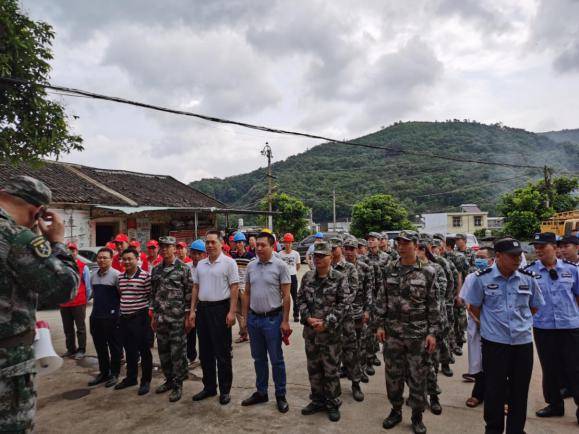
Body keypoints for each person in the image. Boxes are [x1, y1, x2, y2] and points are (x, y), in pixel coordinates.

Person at [0, 175, 79, 433]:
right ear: (37, 212)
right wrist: (57, 242)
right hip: (7, 364)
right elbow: (65, 287)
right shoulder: (14, 237)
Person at [463, 237, 545, 434]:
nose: (517, 260)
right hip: (495, 345)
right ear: (498, 257)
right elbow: (474, 307)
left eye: (519, 256)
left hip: (522, 344)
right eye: (512, 256)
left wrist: (518, 324)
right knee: (494, 391)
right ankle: (493, 429)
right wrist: (492, 327)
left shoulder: (528, 278)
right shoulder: (481, 279)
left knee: (519, 391)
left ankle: (516, 430)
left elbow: (534, 307)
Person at [375, 230, 439, 434]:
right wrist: (379, 325)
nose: (401, 246)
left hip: (417, 336)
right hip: (393, 335)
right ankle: (395, 410)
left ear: (416, 245)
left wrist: (432, 333)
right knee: (393, 376)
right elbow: (381, 300)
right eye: (399, 243)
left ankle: (417, 416)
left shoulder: (428, 271)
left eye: (406, 243)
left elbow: (434, 305)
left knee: (417, 378)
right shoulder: (389, 269)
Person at [524, 232, 579, 424]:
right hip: (544, 327)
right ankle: (555, 405)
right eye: (536, 247)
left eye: (542, 247)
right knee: (550, 368)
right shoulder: (529, 272)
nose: (538, 250)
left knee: (575, 367)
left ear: (554, 248)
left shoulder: (572, 270)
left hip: (570, 326)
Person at [241, 231, 291, 413]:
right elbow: (246, 293)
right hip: (254, 319)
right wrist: (245, 319)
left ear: (272, 246)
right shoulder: (251, 266)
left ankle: (280, 394)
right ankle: (261, 392)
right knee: (258, 358)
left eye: (263, 245)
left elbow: (286, 296)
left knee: (276, 359)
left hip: (273, 319)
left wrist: (285, 321)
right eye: (257, 245)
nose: (259, 248)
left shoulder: (281, 266)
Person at [298, 241, 348, 422]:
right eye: (315, 256)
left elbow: (344, 305)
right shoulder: (307, 277)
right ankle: (317, 400)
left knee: (331, 370)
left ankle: (333, 403)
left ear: (330, 257)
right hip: (311, 333)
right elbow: (301, 299)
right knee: (314, 369)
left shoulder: (340, 278)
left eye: (321, 256)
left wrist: (327, 323)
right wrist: (307, 318)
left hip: (330, 335)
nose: (317, 259)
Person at [189, 230, 239, 405]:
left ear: (221, 243)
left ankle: (225, 390)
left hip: (221, 309)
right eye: (207, 242)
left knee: (222, 352)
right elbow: (195, 287)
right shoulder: (200, 264)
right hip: (203, 310)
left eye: (213, 242)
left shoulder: (228, 263)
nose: (209, 245)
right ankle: (209, 387)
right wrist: (192, 310)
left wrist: (232, 312)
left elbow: (234, 288)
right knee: (205, 352)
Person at [150, 236, 192, 402]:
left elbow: (189, 294)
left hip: (177, 318)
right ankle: (168, 379)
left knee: (178, 353)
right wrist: (153, 315)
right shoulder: (156, 269)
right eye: (163, 247)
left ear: (175, 249)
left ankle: (178, 384)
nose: (165, 249)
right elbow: (153, 294)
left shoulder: (183, 268)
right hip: (161, 318)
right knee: (163, 351)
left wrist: (188, 316)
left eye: (169, 246)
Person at [329, 237, 364, 402]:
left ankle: (356, 384)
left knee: (351, 352)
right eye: (330, 248)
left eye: (335, 248)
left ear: (340, 249)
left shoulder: (350, 268)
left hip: (345, 318)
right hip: (328, 320)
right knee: (331, 354)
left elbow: (352, 293)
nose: (332, 251)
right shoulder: (324, 266)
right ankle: (331, 389)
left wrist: (336, 312)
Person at [116, 247, 153, 396]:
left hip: (141, 317)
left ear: (137, 259)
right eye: (124, 259)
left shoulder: (145, 276)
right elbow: (122, 295)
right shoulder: (120, 277)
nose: (127, 261)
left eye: (130, 258)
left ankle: (146, 381)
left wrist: (150, 317)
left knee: (144, 351)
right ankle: (131, 378)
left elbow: (151, 296)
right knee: (129, 350)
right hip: (125, 318)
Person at [462, 247, 495, 409]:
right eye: (477, 257)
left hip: (497, 328)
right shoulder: (471, 277)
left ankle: (500, 397)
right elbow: (468, 303)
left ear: (492, 259)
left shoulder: (499, 276)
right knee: (478, 361)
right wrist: (480, 321)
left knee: (497, 363)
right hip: (477, 325)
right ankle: (477, 394)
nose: (479, 260)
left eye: (482, 257)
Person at [88, 247, 122, 388]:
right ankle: (104, 372)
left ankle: (114, 374)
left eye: (105, 257)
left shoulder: (117, 276)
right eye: (99, 257)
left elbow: (122, 296)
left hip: (112, 318)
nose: (101, 260)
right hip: (96, 317)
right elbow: (94, 296)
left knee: (114, 347)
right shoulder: (94, 275)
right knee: (100, 347)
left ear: (111, 259)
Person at [343, 236, 373, 384]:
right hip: (342, 313)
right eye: (346, 249)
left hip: (358, 310)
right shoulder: (337, 268)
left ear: (357, 250)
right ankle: (346, 368)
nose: (349, 252)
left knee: (360, 344)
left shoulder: (364, 268)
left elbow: (369, 290)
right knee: (344, 345)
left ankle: (360, 371)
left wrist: (367, 310)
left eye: (352, 249)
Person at [360, 231, 388, 375]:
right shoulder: (363, 259)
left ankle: (379, 353)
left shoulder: (387, 258)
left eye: (373, 239)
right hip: (370, 296)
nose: (370, 242)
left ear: (379, 241)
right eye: (369, 240)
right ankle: (369, 359)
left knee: (382, 327)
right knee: (369, 329)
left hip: (383, 297)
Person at [59, 242, 91, 360]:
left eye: (73, 250)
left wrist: (84, 300)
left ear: (77, 252)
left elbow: (88, 286)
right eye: (68, 250)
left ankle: (81, 349)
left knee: (80, 328)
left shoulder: (84, 267)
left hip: (79, 302)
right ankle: (70, 349)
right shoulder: (60, 266)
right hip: (64, 303)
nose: (71, 252)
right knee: (67, 328)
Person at [230, 232, 254, 344]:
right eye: (237, 242)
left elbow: (253, 273)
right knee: (238, 312)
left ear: (244, 243)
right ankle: (243, 334)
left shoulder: (250, 256)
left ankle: (251, 333)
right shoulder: (233, 257)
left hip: (245, 287)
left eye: (240, 242)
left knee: (247, 312)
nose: (239, 244)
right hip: (235, 287)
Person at [186, 239, 207, 366]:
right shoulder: (186, 267)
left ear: (204, 254)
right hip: (190, 306)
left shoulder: (208, 267)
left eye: (199, 253)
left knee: (204, 334)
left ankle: (205, 356)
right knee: (190, 332)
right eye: (194, 253)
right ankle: (191, 357)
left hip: (205, 305)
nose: (197, 256)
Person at [279, 233, 301, 322]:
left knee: (295, 297)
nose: (287, 244)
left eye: (289, 242)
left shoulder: (296, 254)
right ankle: (282, 315)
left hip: (292, 277)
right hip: (282, 279)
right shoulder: (279, 254)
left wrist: (292, 271)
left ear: (292, 243)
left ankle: (296, 315)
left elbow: (298, 266)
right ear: (283, 243)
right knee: (282, 297)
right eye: (286, 242)